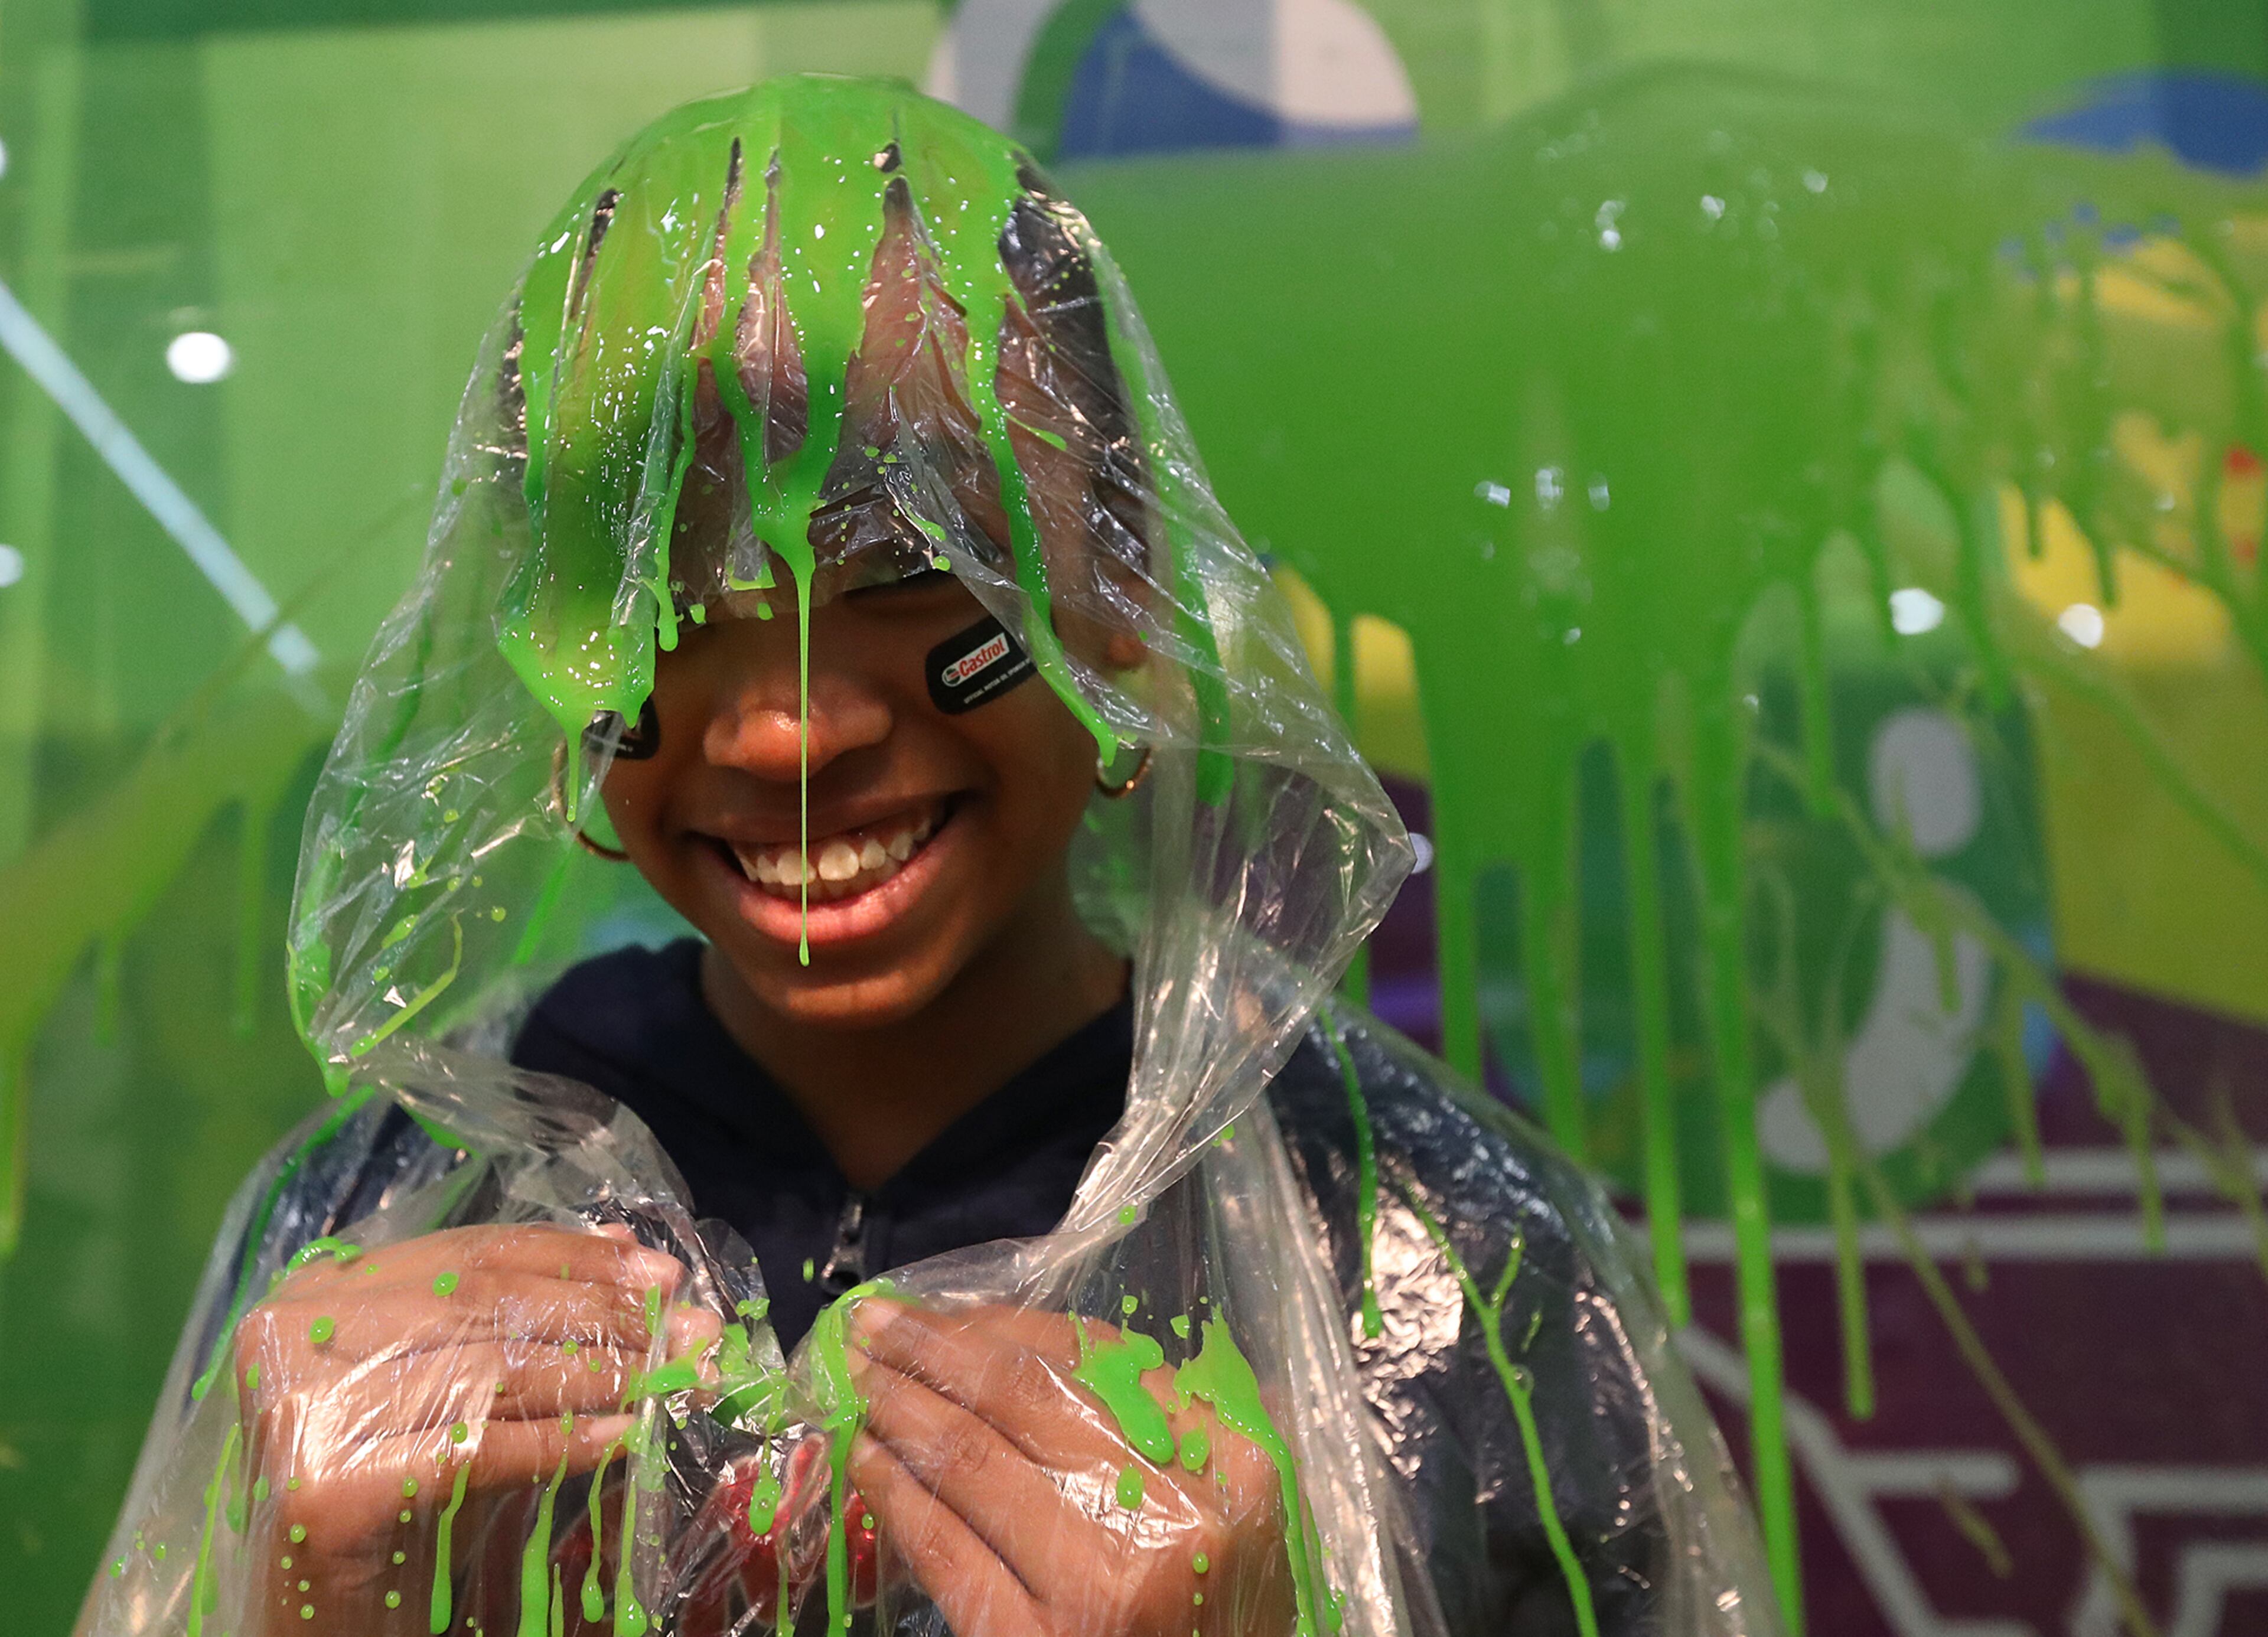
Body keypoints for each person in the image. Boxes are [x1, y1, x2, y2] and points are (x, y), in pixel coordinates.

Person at [79, 77, 1776, 1637]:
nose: (780, 731)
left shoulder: (1437, 1253)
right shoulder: (380, 1232)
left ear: (1121, 588)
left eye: (911, 564)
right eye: (659, 597)